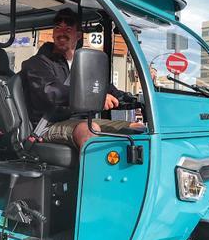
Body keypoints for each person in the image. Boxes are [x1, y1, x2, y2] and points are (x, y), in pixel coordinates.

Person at [21, 8, 141, 149]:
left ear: (78, 35)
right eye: (58, 28)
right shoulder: (37, 63)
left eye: (68, 29)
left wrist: (134, 100)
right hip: (48, 125)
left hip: (81, 121)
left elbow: (105, 89)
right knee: (90, 130)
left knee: (137, 128)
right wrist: (93, 97)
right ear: (53, 34)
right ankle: (94, 164)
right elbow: (51, 91)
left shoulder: (83, 65)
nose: (62, 33)